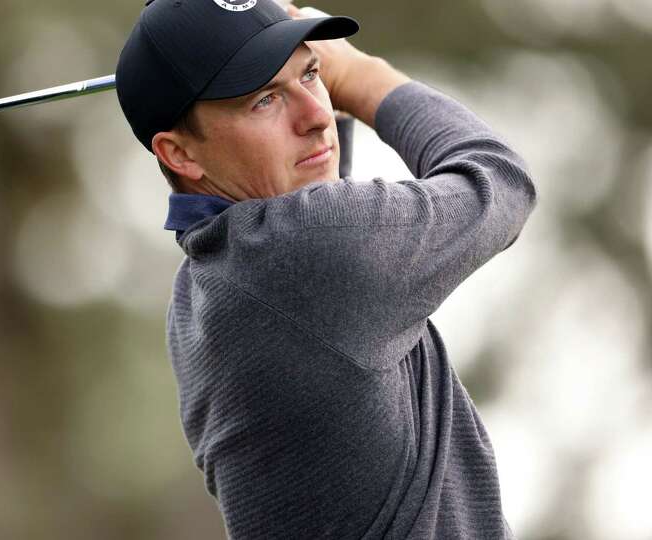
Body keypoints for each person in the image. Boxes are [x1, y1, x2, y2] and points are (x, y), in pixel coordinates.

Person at [114, 0, 538, 538]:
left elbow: (326, 220)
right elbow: (499, 180)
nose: (316, 114)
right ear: (181, 154)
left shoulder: (206, 285)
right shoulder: (305, 257)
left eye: (310, 74)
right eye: (264, 99)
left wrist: (295, 78)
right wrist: (359, 74)